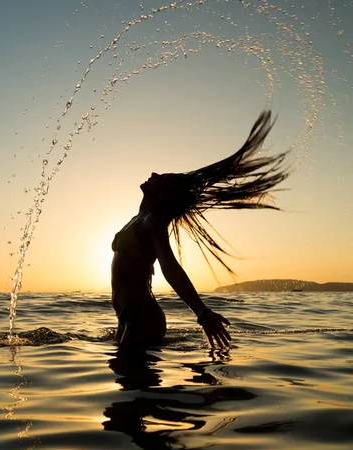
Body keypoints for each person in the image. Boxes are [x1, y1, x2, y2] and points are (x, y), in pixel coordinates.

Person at [111, 110, 290, 353]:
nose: (153, 174)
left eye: (160, 177)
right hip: (127, 318)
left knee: (136, 384)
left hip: (142, 317)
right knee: (131, 385)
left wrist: (202, 313)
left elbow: (170, 267)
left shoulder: (152, 222)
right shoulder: (138, 219)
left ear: (164, 195)